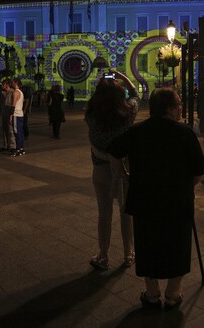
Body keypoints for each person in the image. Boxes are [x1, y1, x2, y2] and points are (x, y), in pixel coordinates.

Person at [107, 87, 204, 310]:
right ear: (170, 109)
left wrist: (125, 175)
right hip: (177, 201)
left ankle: (152, 292)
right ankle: (173, 293)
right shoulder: (185, 133)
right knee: (178, 243)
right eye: (179, 104)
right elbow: (199, 172)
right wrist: (183, 186)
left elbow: (113, 152)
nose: (181, 107)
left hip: (144, 198)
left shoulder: (138, 131)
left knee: (147, 242)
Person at [85, 69, 139, 271]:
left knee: (104, 212)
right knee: (126, 212)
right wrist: (119, 75)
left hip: (100, 169)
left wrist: (103, 83)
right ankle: (129, 254)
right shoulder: (128, 114)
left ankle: (103, 256)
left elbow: (94, 100)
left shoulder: (92, 115)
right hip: (123, 168)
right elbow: (135, 93)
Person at [10, 78, 25, 156]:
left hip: (16, 114)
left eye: (12, 82)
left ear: (15, 83)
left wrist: (11, 115)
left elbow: (13, 105)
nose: (11, 83)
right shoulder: (21, 92)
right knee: (20, 132)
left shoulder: (15, 92)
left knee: (16, 132)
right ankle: (21, 148)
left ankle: (18, 149)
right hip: (20, 114)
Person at [0, 79, 16, 152]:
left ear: (7, 85)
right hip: (4, 111)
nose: (2, 85)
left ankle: (12, 146)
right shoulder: (2, 93)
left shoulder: (12, 92)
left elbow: (14, 104)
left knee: (10, 129)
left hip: (10, 111)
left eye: (3, 84)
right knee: (4, 129)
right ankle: (5, 145)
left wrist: (12, 114)